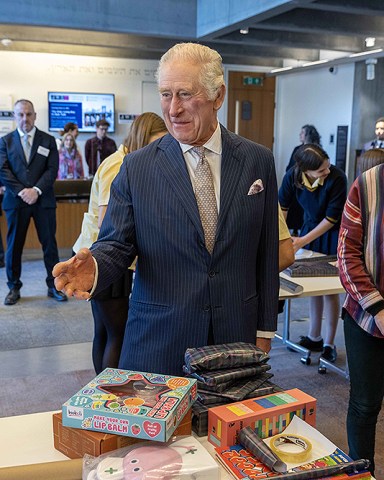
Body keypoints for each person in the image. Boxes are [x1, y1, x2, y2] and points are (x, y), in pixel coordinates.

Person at [53, 42, 280, 376]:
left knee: (224, 427)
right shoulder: (137, 167)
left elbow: (266, 251)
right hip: (159, 340)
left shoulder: (258, 160)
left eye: (185, 94)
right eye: (165, 94)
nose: (173, 109)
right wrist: (96, 267)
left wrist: (264, 330)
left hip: (235, 335)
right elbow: (117, 242)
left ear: (218, 96)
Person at [73, 112, 167, 374]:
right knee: (118, 334)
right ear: (142, 136)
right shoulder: (120, 164)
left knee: (104, 332)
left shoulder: (126, 160)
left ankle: (101, 392)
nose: (157, 149)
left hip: (99, 257)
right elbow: (108, 224)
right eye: (155, 141)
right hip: (105, 259)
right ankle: (110, 396)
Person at [279, 144, 347, 362]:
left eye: (327, 167)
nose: (327, 171)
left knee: (329, 290)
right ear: (305, 170)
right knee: (313, 288)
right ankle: (314, 336)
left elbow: (332, 218)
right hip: (309, 231)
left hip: (330, 234)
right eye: (321, 170)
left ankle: (328, 344)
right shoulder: (293, 176)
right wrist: (280, 237)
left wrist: (301, 241)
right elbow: (282, 208)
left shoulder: (337, 178)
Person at [337, 163, 384, 477]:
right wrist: (378, 309)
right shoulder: (368, 184)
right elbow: (347, 253)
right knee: (366, 405)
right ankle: (361, 473)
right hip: (366, 317)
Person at [0, 99, 67, 305]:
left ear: (35, 116)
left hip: (43, 200)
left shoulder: (48, 140)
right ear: (14, 116)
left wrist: (36, 190)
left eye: (29, 114)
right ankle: (13, 287)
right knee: (14, 246)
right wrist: (23, 191)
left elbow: (52, 170)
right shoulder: (5, 141)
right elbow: (3, 170)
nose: (25, 119)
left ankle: (53, 286)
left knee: (49, 246)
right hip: (16, 201)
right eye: (20, 114)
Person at [285, 125, 322, 235]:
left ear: (308, 135)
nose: (300, 135)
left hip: (311, 186)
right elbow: (290, 168)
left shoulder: (318, 151)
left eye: (302, 133)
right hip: (296, 184)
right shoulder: (297, 149)